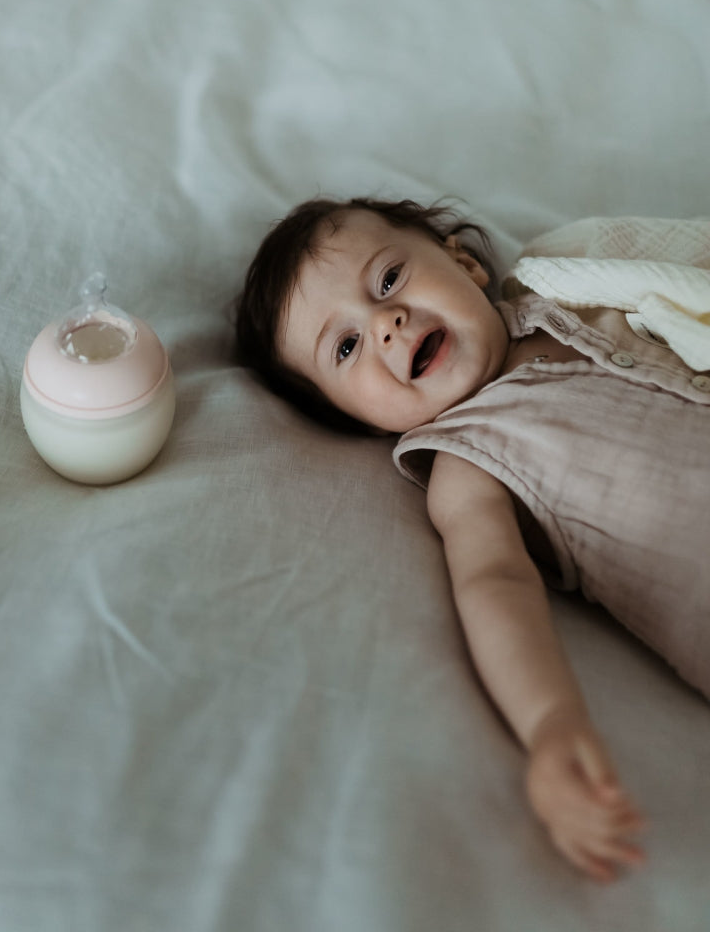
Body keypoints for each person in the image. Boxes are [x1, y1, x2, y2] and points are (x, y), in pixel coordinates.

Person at [235, 196, 710, 882]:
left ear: (462, 261)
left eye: (388, 279)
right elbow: (495, 582)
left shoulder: (573, 292)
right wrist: (549, 723)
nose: (386, 323)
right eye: (346, 347)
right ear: (358, 419)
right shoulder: (468, 462)